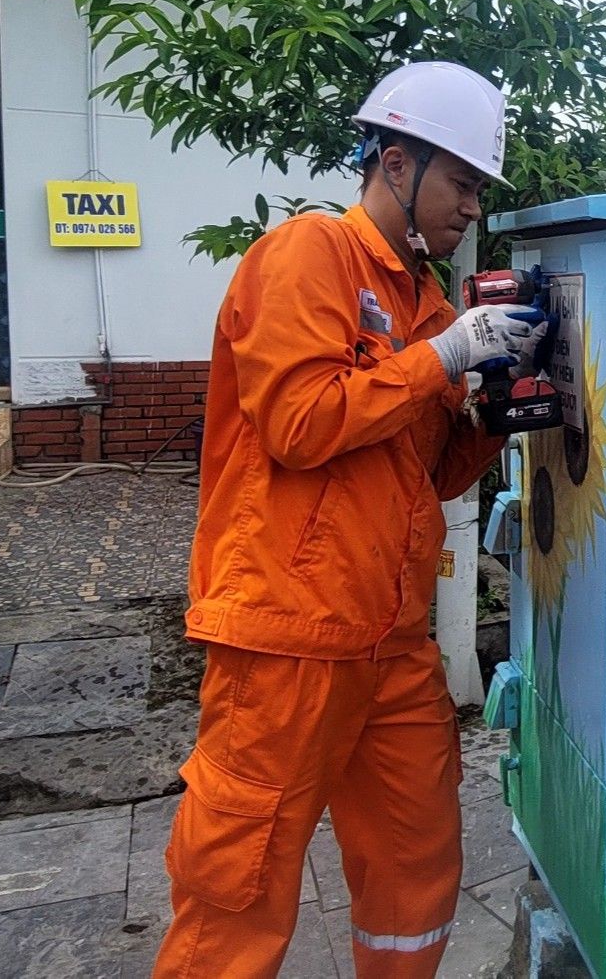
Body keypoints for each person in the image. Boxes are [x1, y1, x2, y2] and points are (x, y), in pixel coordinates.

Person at [154, 62, 546, 978]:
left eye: (478, 191)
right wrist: (441, 359)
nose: (469, 210)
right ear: (395, 162)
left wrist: (498, 409)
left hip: (390, 641)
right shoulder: (308, 255)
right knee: (239, 883)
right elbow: (299, 424)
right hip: (288, 633)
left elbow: (434, 472)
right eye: (459, 184)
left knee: (415, 862)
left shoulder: (427, 301)